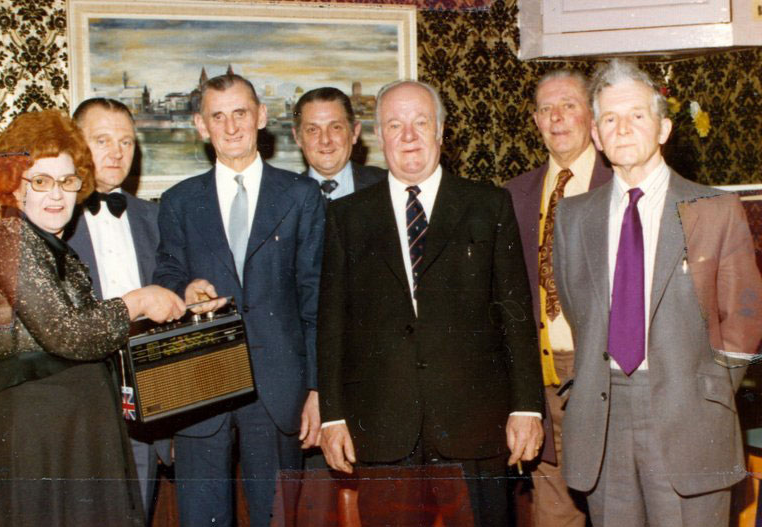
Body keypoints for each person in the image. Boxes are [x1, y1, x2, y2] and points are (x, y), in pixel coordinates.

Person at [317, 79, 545, 527]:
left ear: (441, 131)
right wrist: (332, 417)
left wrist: (526, 407)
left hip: (475, 427)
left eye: (421, 123)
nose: (408, 136)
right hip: (382, 428)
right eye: (395, 125)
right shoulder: (347, 217)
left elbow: (515, 317)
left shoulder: (488, 206)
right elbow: (331, 325)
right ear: (378, 136)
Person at [554, 59, 762, 527]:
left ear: (664, 128)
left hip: (690, 416)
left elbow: (744, 319)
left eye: (636, 116)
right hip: (604, 416)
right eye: (609, 118)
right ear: (597, 136)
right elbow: (579, 310)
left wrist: (706, 390)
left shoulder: (713, 209)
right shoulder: (573, 217)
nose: (622, 129)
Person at [0, 109, 185, 526]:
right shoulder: (8, 238)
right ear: (15, 185)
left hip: (81, 427)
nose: (57, 195)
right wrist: (137, 301)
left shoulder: (57, 248)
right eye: (41, 181)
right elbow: (68, 334)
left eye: (68, 182)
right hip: (43, 433)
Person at [153, 73, 324, 527]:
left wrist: (315, 387)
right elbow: (166, 275)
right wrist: (184, 290)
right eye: (217, 116)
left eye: (241, 113)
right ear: (200, 125)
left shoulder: (302, 196)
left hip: (279, 389)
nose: (231, 127)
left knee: (278, 517)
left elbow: (315, 296)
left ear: (261, 117)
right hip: (201, 385)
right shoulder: (177, 201)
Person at [504, 69, 610, 526]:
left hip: (604, 380)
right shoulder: (514, 195)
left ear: (591, 114)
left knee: (616, 504)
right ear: (535, 121)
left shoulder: (621, 185)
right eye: (546, 109)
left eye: (568, 104)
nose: (557, 117)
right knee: (553, 512)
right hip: (541, 380)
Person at [65, 97, 171, 521]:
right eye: (102, 140)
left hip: (145, 408)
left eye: (126, 142)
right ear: (75, 145)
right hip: (78, 407)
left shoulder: (155, 218)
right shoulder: (54, 218)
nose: (116, 152)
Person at [292, 87, 386, 201]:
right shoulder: (284, 196)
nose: (325, 140)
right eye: (313, 130)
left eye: (336, 127)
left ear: (355, 132)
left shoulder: (386, 185)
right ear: (297, 137)